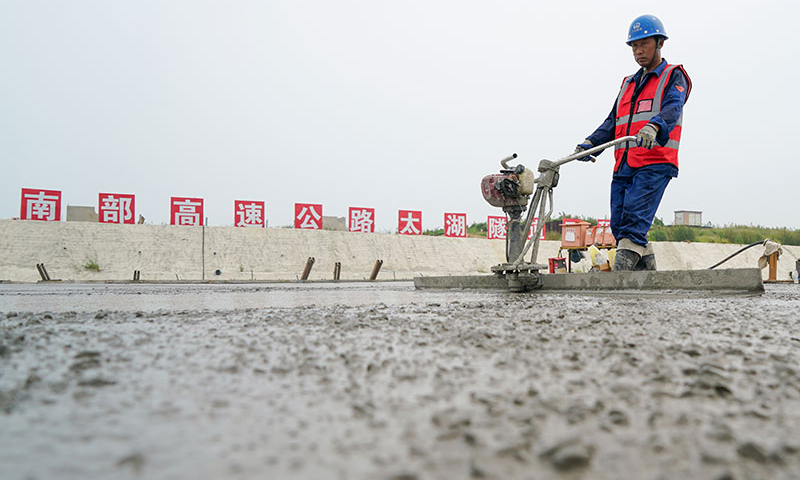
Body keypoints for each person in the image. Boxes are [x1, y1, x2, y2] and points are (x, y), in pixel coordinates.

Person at [575, 14, 692, 271]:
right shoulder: (628, 83)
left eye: (644, 44)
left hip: (655, 163)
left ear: (660, 43)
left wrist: (654, 126)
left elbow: (673, 107)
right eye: (634, 46)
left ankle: (621, 278)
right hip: (624, 164)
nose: (638, 51)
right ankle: (647, 275)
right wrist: (590, 142)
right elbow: (613, 121)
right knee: (619, 224)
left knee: (633, 221)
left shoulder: (673, 76)